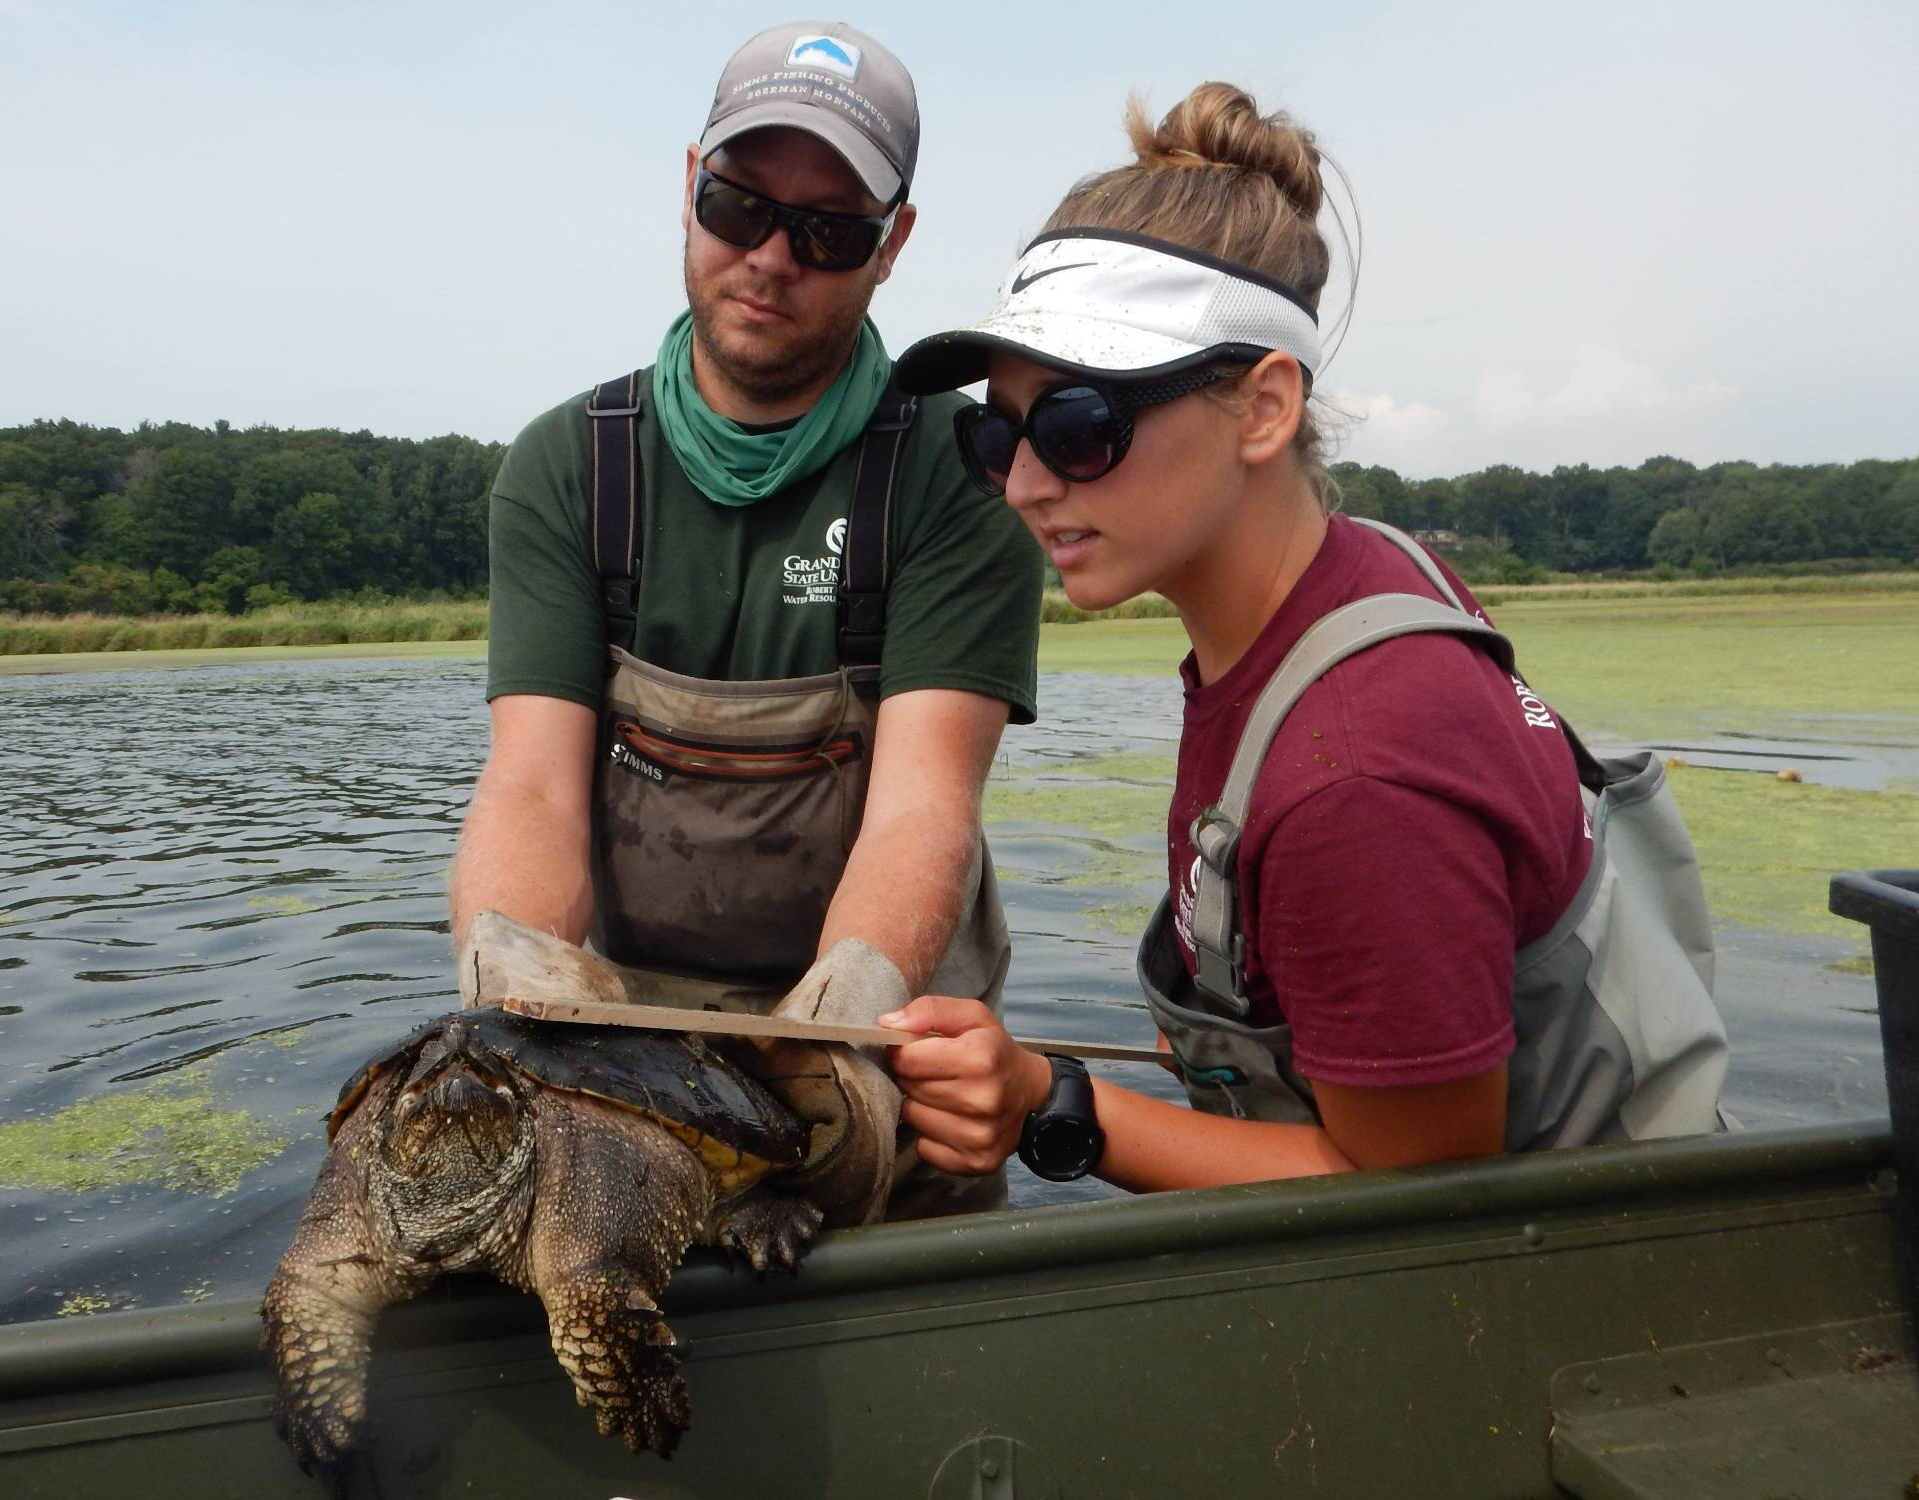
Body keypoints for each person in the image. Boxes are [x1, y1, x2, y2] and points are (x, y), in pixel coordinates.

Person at [884, 82, 1728, 1192]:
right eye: (994, 435)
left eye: (1079, 423)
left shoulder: (1360, 770)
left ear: (1266, 408)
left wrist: (1058, 1105)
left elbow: (1406, 1196)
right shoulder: (1349, 582)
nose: (1025, 483)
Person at [450, 22, 1044, 1216]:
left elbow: (925, 803)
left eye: (829, 231)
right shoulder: (568, 467)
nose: (772, 257)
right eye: (738, 205)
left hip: (867, 1044)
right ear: (688, 187)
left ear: (893, 247)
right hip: (626, 1054)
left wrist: (831, 1039)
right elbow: (531, 788)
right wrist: (523, 1000)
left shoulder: (962, 469)